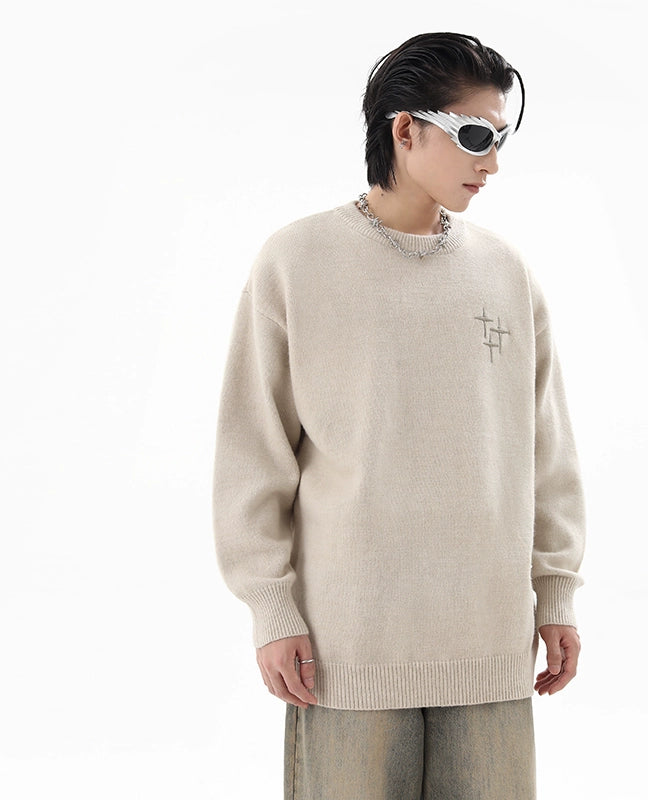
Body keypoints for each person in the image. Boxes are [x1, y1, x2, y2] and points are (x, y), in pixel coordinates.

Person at [212, 31, 586, 799]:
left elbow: (546, 453)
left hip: (488, 644)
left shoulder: (505, 272)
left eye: (501, 138)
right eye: (475, 136)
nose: (492, 162)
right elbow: (253, 452)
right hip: (346, 650)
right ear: (406, 130)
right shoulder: (298, 262)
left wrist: (556, 592)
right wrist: (272, 608)